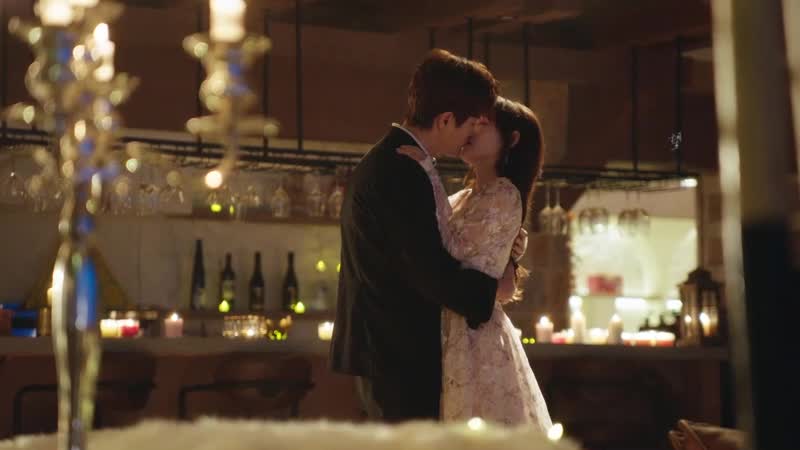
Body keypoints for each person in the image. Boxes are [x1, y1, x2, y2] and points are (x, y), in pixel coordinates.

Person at [330, 49, 524, 421]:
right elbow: (428, 271)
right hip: (396, 350)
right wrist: (492, 290)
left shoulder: (396, 160)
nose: (471, 136)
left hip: (386, 348)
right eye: (472, 125)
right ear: (446, 119)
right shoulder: (401, 170)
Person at [397, 97, 552, 429]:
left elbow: (449, 250)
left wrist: (428, 174)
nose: (473, 128)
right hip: (449, 324)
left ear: (511, 139)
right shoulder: (467, 196)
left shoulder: (504, 193)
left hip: (473, 335)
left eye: (484, 123)